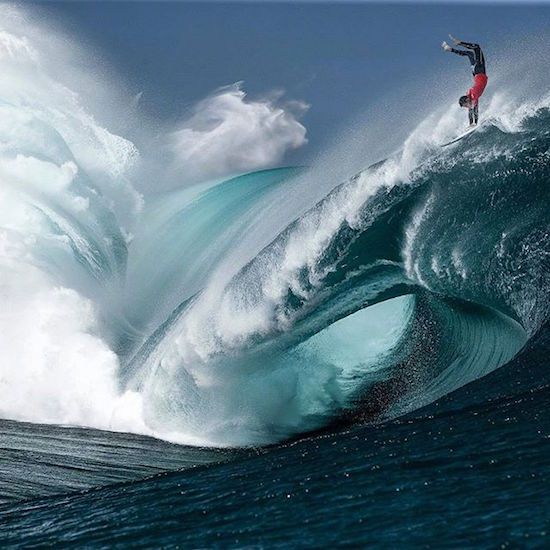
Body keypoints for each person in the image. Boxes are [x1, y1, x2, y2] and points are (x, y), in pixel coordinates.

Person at [441, 35, 488, 126]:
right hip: (476, 73)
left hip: (479, 70)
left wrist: (476, 123)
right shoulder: (469, 95)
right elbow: (471, 111)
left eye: (466, 105)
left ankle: (459, 43)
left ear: (467, 100)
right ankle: (450, 49)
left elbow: (475, 109)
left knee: (477, 47)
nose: (467, 107)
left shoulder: (473, 95)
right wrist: (471, 124)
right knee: (469, 54)